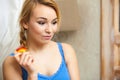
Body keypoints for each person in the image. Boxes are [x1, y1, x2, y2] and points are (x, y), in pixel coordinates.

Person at [2, 0, 80, 80]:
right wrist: (32, 75)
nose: (50, 30)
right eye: (42, 23)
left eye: (54, 22)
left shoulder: (67, 51)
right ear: (25, 23)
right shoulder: (11, 63)